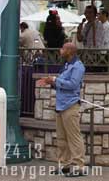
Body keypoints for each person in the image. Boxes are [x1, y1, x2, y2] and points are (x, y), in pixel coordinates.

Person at [36, 43, 86, 176]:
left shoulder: (78, 66)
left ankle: (79, 166)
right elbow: (62, 83)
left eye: (63, 48)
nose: (60, 50)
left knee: (74, 137)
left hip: (70, 105)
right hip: (61, 105)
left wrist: (55, 80)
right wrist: (51, 82)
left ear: (69, 51)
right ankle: (65, 164)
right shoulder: (66, 65)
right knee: (62, 138)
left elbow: (73, 84)